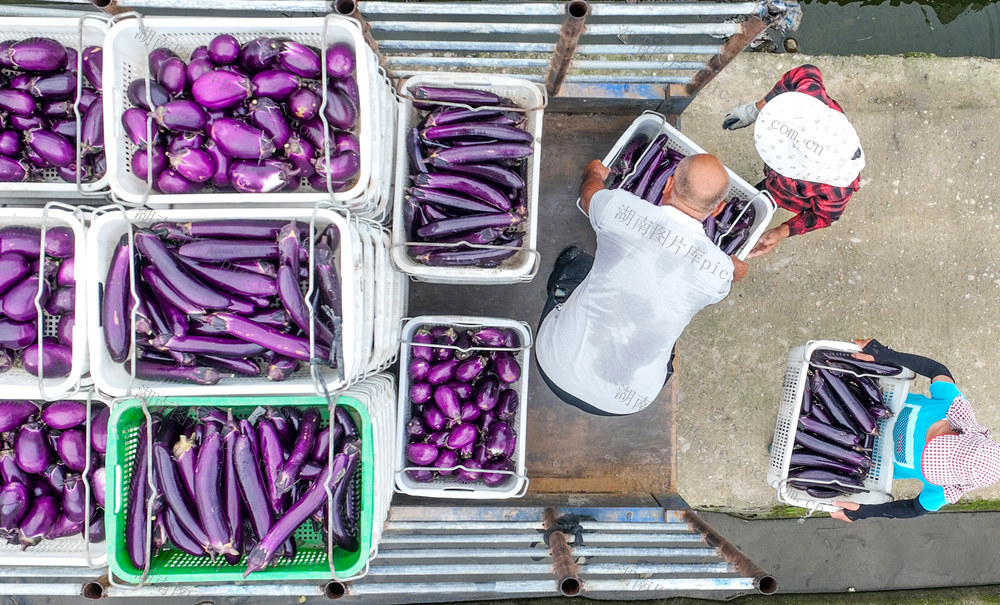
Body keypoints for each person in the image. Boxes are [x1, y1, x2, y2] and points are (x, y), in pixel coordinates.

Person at [534, 154, 748, 416]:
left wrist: (593, 173)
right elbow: (733, 275)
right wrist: (734, 267)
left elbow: (589, 195)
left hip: (555, 364)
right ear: (717, 209)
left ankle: (560, 288)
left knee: (579, 265)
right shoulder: (718, 272)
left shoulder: (621, 209)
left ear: (668, 185)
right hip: (626, 402)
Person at [830, 339, 1000, 522]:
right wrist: (885, 354)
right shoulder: (951, 405)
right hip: (862, 404)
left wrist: (862, 512)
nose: (930, 449)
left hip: (857, 454)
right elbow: (937, 370)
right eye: (938, 445)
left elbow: (913, 509)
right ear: (960, 433)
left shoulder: (944, 487)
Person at [722, 64, 865, 258]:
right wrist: (756, 109)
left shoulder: (836, 189)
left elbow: (822, 217)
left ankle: (764, 198)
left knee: (756, 202)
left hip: (782, 192)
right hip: (777, 181)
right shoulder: (812, 100)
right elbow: (806, 72)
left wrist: (780, 232)